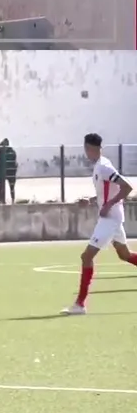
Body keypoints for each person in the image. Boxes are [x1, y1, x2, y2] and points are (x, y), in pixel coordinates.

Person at [64, 133, 136, 315]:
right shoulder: (100, 166)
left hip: (110, 219)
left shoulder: (103, 166)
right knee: (125, 255)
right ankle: (79, 305)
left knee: (86, 257)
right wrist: (91, 200)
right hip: (112, 218)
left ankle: (80, 304)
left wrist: (109, 205)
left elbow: (127, 186)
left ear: (88, 148)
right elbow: (108, 191)